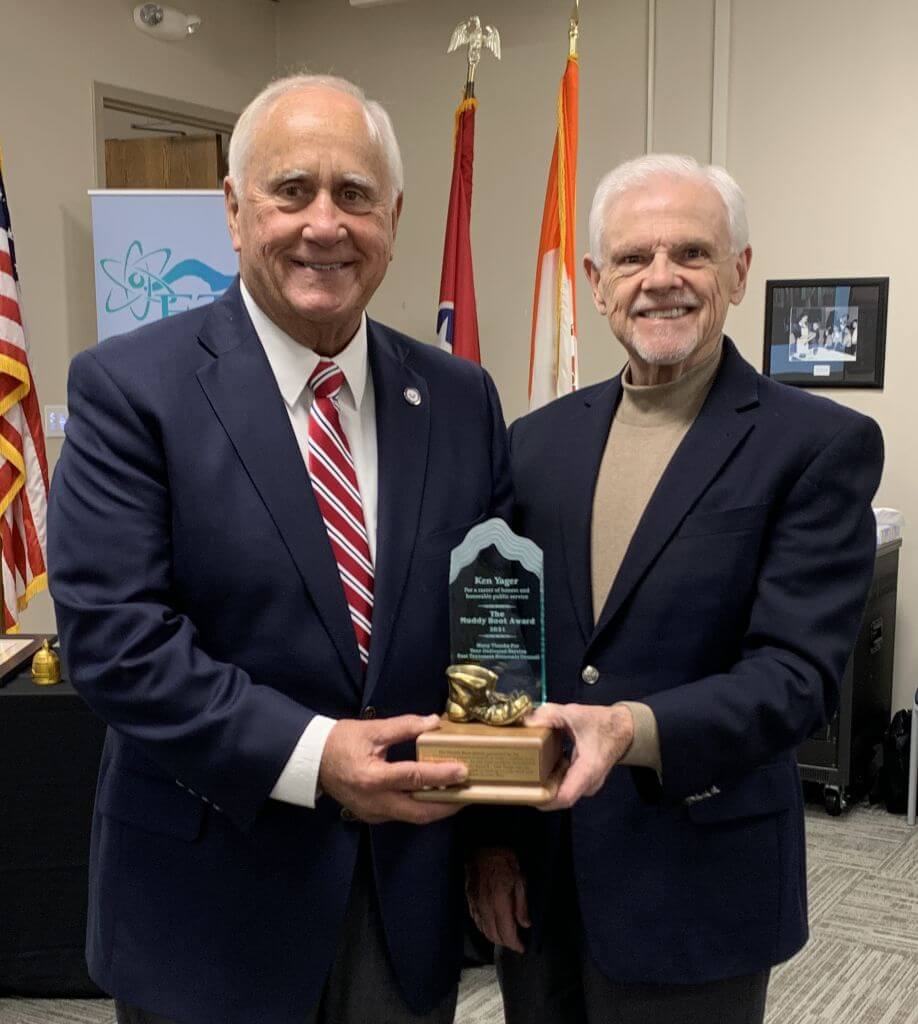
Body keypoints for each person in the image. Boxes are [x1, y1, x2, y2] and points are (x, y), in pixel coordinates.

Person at [49, 74, 512, 1024]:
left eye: (355, 194)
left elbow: (490, 632)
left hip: (406, 896)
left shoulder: (461, 399)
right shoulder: (131, 389)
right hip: (211, 902)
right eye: (292, 190)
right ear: (234, 210)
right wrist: (315, 755)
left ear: (393, 218)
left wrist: (501, 820)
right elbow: (117, 643)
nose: (324, 224)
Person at [467, 154, 883, 1024]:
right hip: (542, 882)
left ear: (738, 270)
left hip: (699, 886)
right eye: (633, 257)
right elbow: (501, 656)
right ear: (596, 283)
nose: (661, 278)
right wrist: (494, 843)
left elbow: (796, 678)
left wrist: (630, 729)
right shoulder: (534, 442)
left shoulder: (817, 445)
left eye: (692, 252)